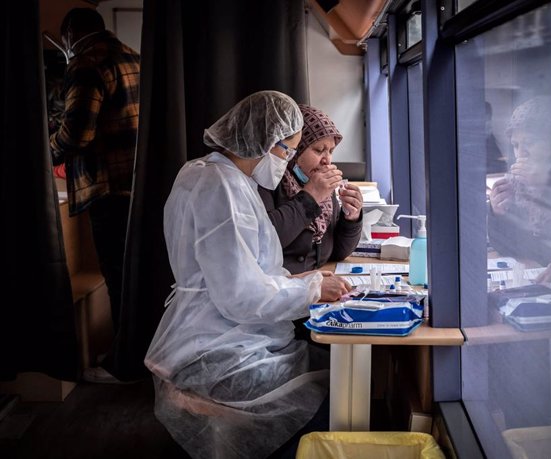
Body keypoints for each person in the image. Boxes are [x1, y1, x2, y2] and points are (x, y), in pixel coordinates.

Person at [144, 91, 351, 459]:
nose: (286, 159)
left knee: (327, 370)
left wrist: (302, 282)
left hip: (209, 329)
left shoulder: (211, 174)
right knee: (333, 390)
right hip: (218, 344)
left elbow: (248, 271)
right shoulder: (221, 188)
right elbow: (241, 296)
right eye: (286, 150)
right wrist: (313, 289)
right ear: (263, 142)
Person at [49, 8, 140, 383]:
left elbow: (77, 134)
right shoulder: (133, 56)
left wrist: (46, 150)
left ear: (70, 35)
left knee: (117, 276)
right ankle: (137, 351)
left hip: (108, 187)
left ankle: (123, 364)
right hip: (140, 185)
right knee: (135, 276)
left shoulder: (86, 64)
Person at [258, 104, 364, 275]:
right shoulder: (268, 181)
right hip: (280, 291)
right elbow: (265, 241)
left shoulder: (321, 188)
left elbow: (338, 252)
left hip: (315, 288)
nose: (327, 160)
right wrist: (311, 196)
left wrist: (351, 217)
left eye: (331, 151)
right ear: (295, 149)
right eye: (319, 150)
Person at [487, 96, 551, 267]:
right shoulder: (518, 187)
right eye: (515, 145)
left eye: (530, 142)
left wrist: (545, 186)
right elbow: (506, 248)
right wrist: (498, 212)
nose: (521, 153)